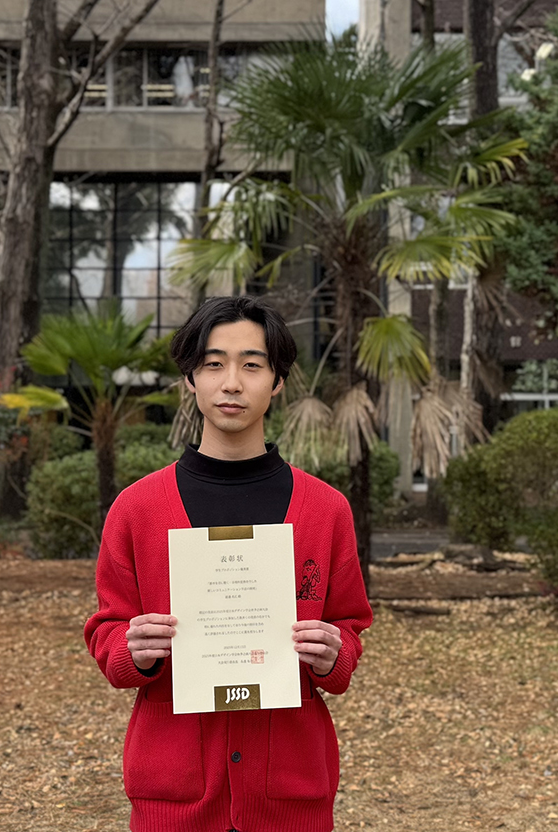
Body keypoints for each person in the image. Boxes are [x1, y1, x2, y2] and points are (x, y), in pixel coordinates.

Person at [84, 295, 373, 832]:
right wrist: (131, 649)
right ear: (190, 378)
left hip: (289, 795)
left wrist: (334, 655)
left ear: (278, 380)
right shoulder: (138, 509)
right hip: (175, 798)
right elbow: (107, 634)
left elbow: (349, 626)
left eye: (252, 365)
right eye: (214, 364)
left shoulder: (325, 510)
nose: (232, 383)